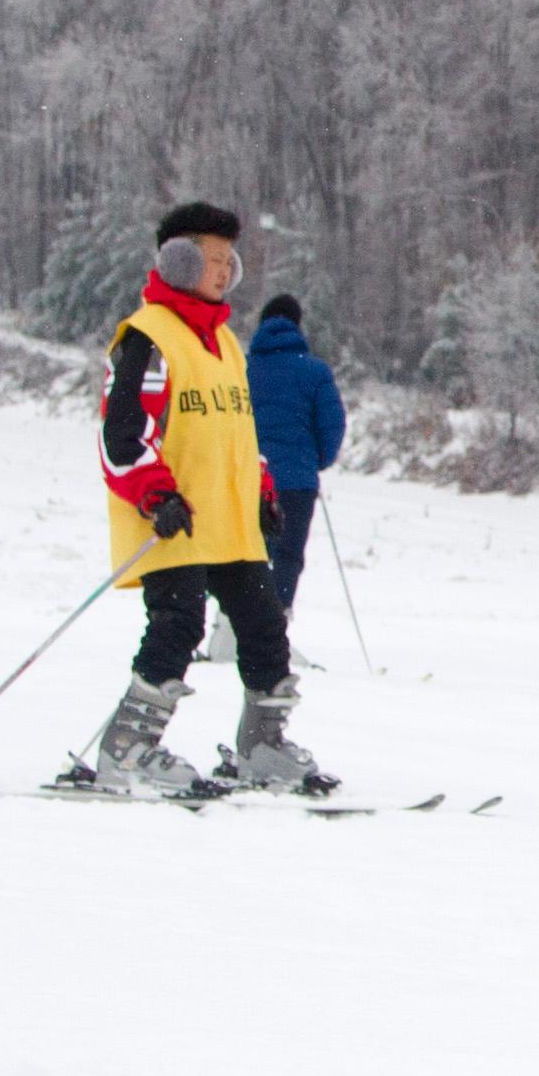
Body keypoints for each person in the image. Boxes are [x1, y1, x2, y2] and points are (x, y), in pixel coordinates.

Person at [82, 201, 331, 797]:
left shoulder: (224, 342)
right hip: (173, 521)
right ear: (179, 260)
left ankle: (264, 748)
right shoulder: (150, 339)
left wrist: (264, 489)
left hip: (229, 523)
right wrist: (155, 495)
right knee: (179, 626)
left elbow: (238, 432)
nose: (223, 270)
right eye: (211, 258)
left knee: (266, 627)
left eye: (229, 260)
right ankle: (127, 750)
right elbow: (122, 436)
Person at [245, 292, 345, 613]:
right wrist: (317, 460)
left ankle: (237, 624)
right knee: (288, 556)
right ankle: (276, 622)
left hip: (248, 476)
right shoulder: (315, 372)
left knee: (245, 555)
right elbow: (332, 425)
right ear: (298, 326)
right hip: (296, 481)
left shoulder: (242, 368)